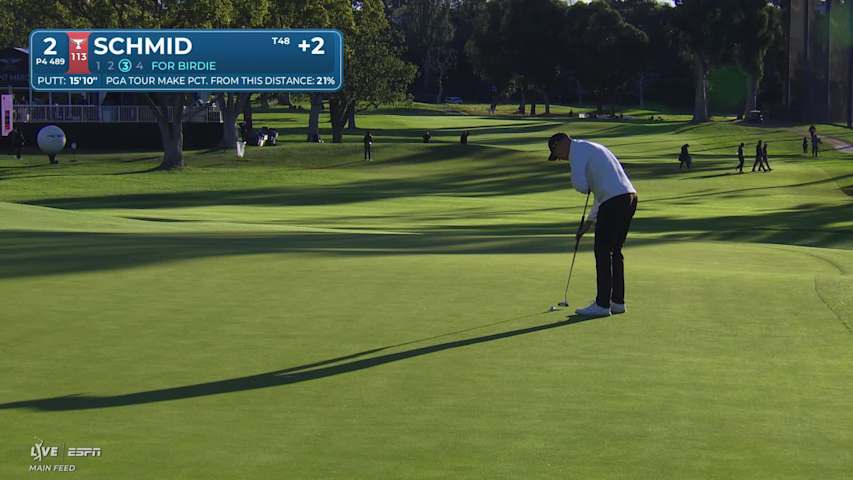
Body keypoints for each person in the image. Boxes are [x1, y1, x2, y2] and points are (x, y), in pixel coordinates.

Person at [547, 132, 638, 317]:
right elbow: (600, 195)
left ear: (559, 144)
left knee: (602, 251)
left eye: (557, 154)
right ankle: (617, 302)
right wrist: (588, 223)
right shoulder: (592, 147)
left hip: (613, 202)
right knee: (615, 251)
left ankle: (602, 304)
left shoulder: (576, 151)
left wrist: (581, 182)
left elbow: (581, 185)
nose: (561, 159)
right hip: (629, 197)